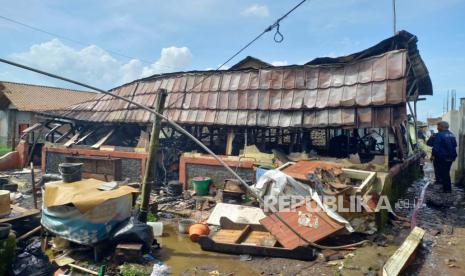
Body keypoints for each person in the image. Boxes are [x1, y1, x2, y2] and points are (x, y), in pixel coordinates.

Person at [426, 121, 457, 193]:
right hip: (451, 157)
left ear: (442, 127)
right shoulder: (452, 134)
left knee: (444, 173)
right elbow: (455, 145)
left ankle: (447, 190)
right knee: (446, 172)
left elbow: (435, 147)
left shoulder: (439, 135)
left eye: (438, 126)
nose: (437, 128)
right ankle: (444, 187)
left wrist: (432, 156)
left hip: (442, 157)